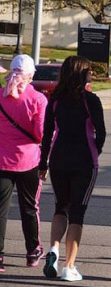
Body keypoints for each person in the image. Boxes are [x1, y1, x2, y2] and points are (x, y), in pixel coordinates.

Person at [39, 56, 106, 281]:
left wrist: (42, 163)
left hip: (58, 159)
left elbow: (47, 135)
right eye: (88, 71)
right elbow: (102, 133)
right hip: (84, 161)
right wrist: (95, 151)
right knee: (77, 213)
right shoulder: (90, 100)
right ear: (81, 73)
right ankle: (69, 266)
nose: (91, 74)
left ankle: (54, 250)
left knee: (61, 207)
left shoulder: (55, 100)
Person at [0, 55, 47, 272]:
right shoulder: (38, 99)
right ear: (31, 75)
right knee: (30, 208)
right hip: (28, 161)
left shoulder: (1, 95)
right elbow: (40, 134)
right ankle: (32, 251)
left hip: (2, 160)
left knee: (1, 210)